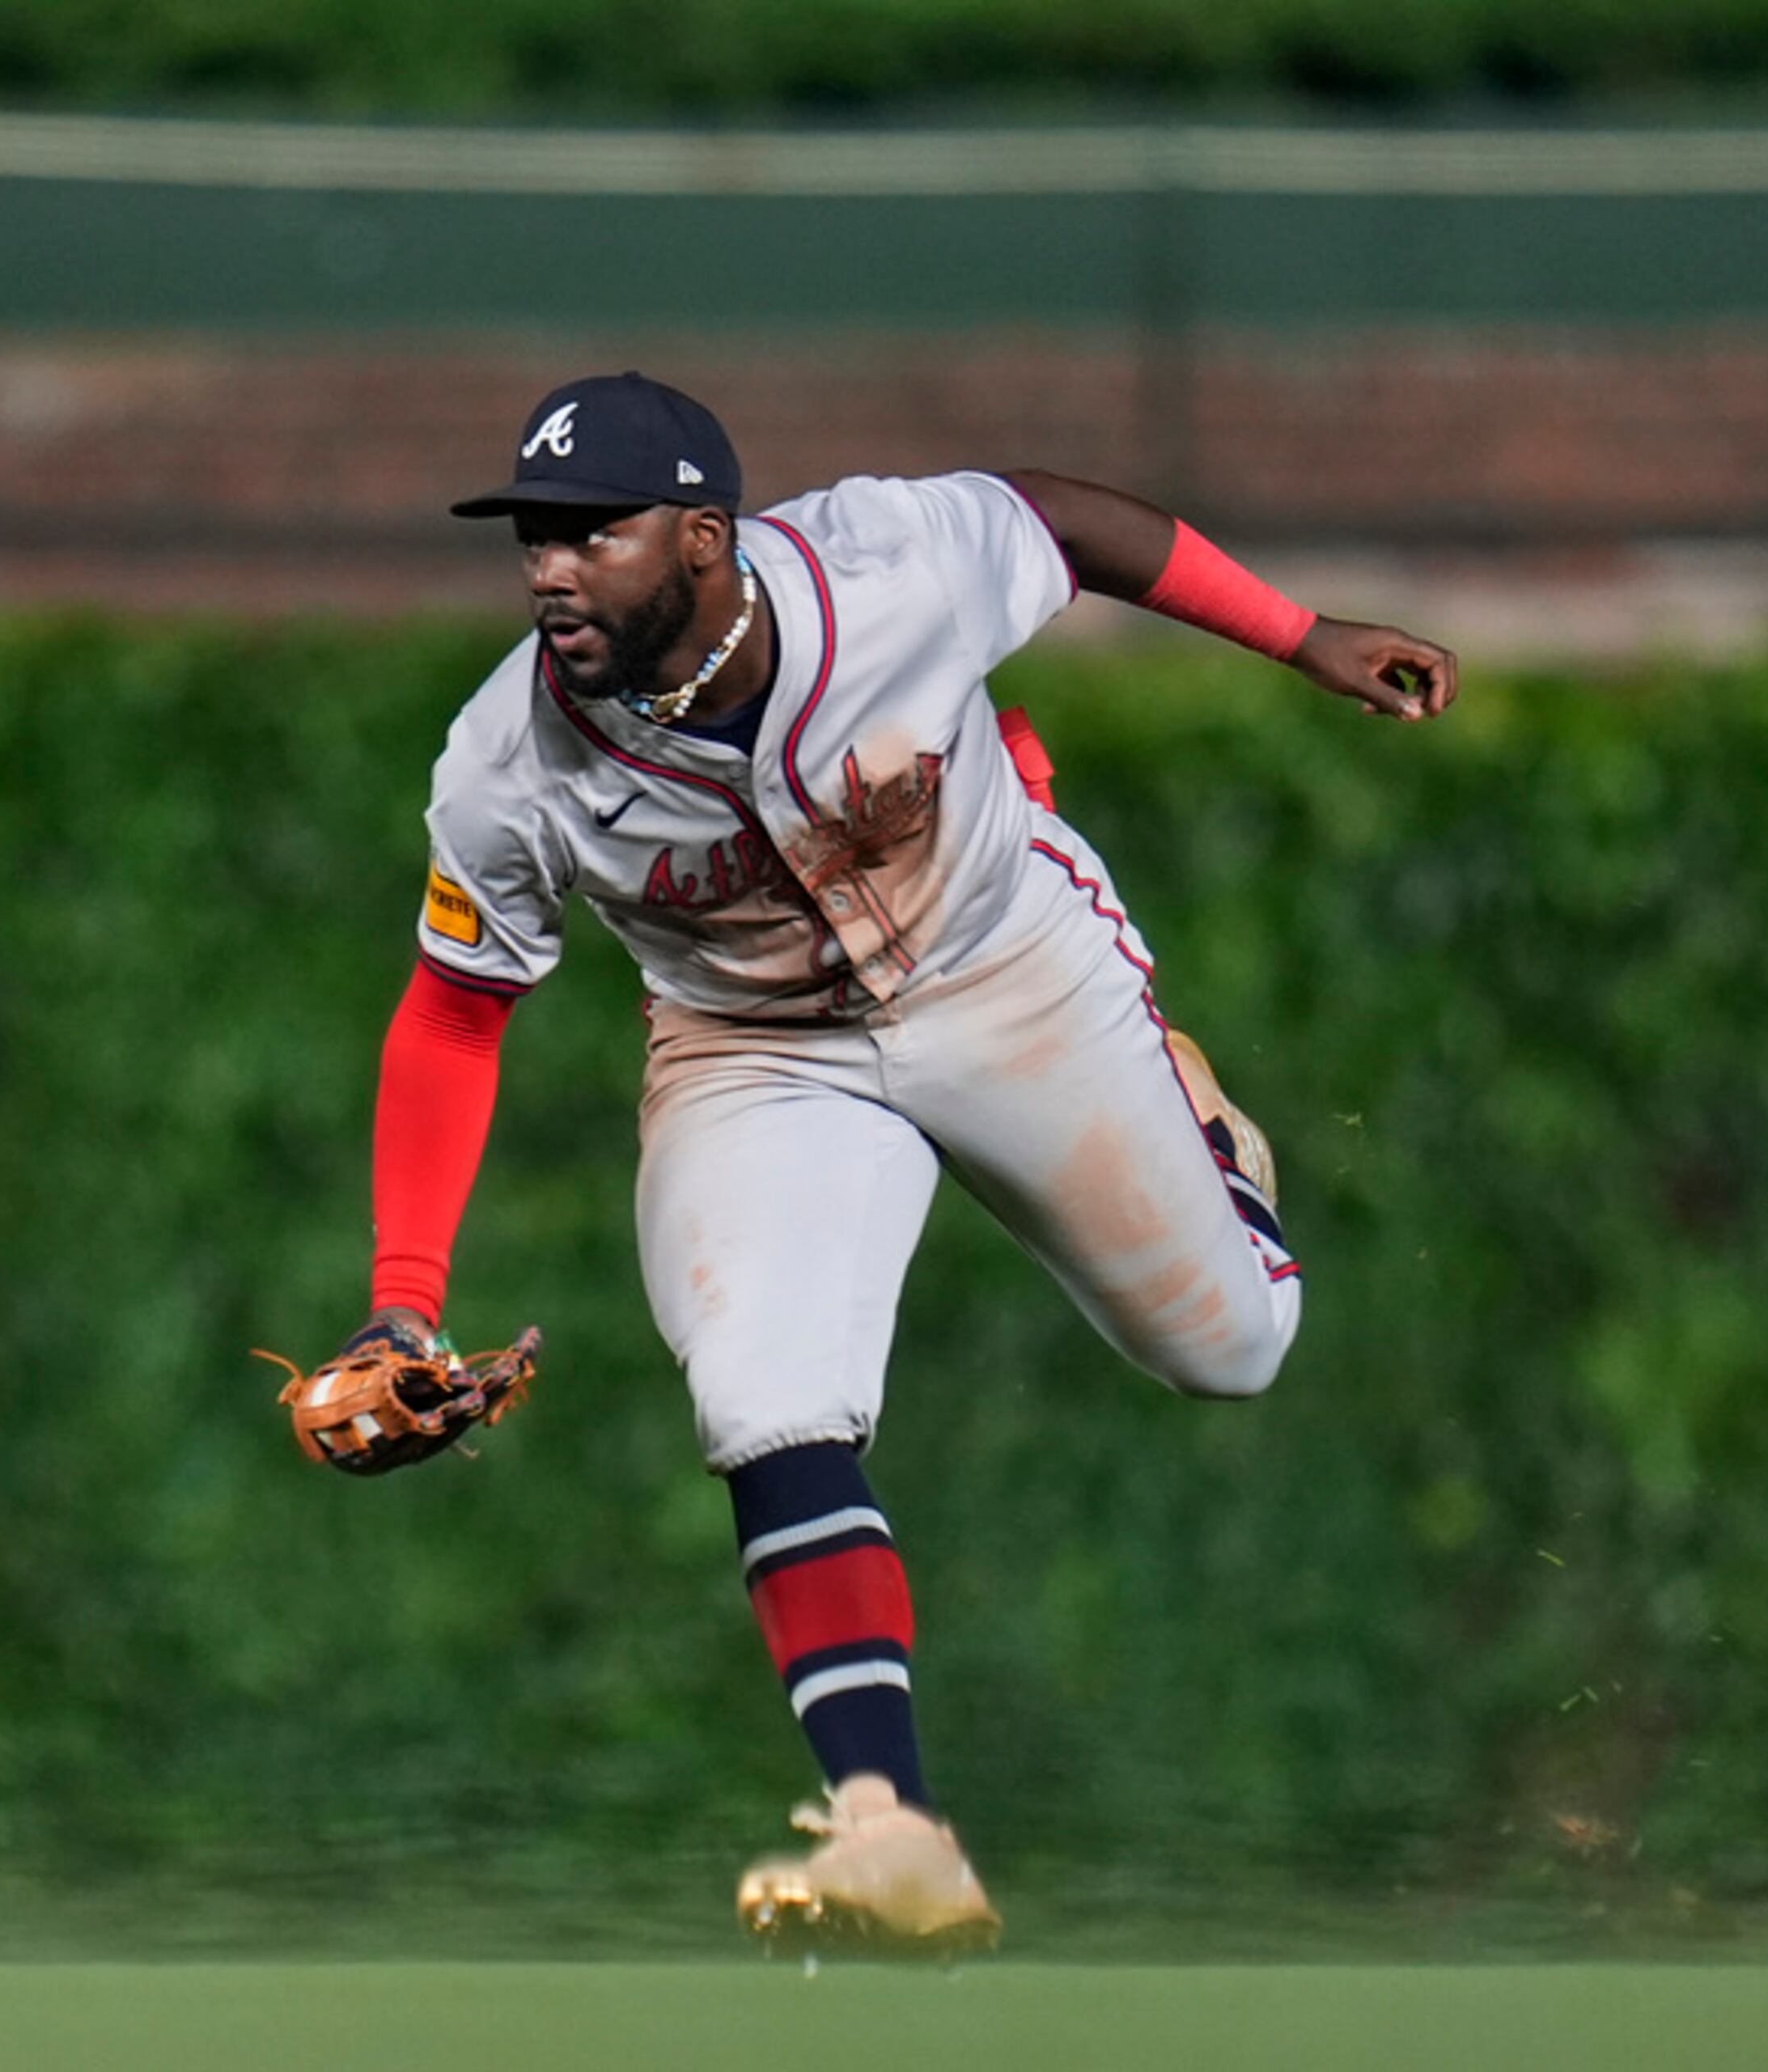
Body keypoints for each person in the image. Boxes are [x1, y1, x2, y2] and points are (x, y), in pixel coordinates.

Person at [352, 372, 1456, 1943]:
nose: (549, 568)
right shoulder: (505, 763)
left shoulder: (888, 566)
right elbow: (454, 1018)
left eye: (594, 534)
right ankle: (891, 1824)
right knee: (762, 1394)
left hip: (1005, 964)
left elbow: (1069, 525)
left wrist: (1298, 635)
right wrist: (404, 1298)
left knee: (1235, 1348)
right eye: (534, 534)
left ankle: (1193, 1106)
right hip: (755, 1049)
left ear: (706, 537)